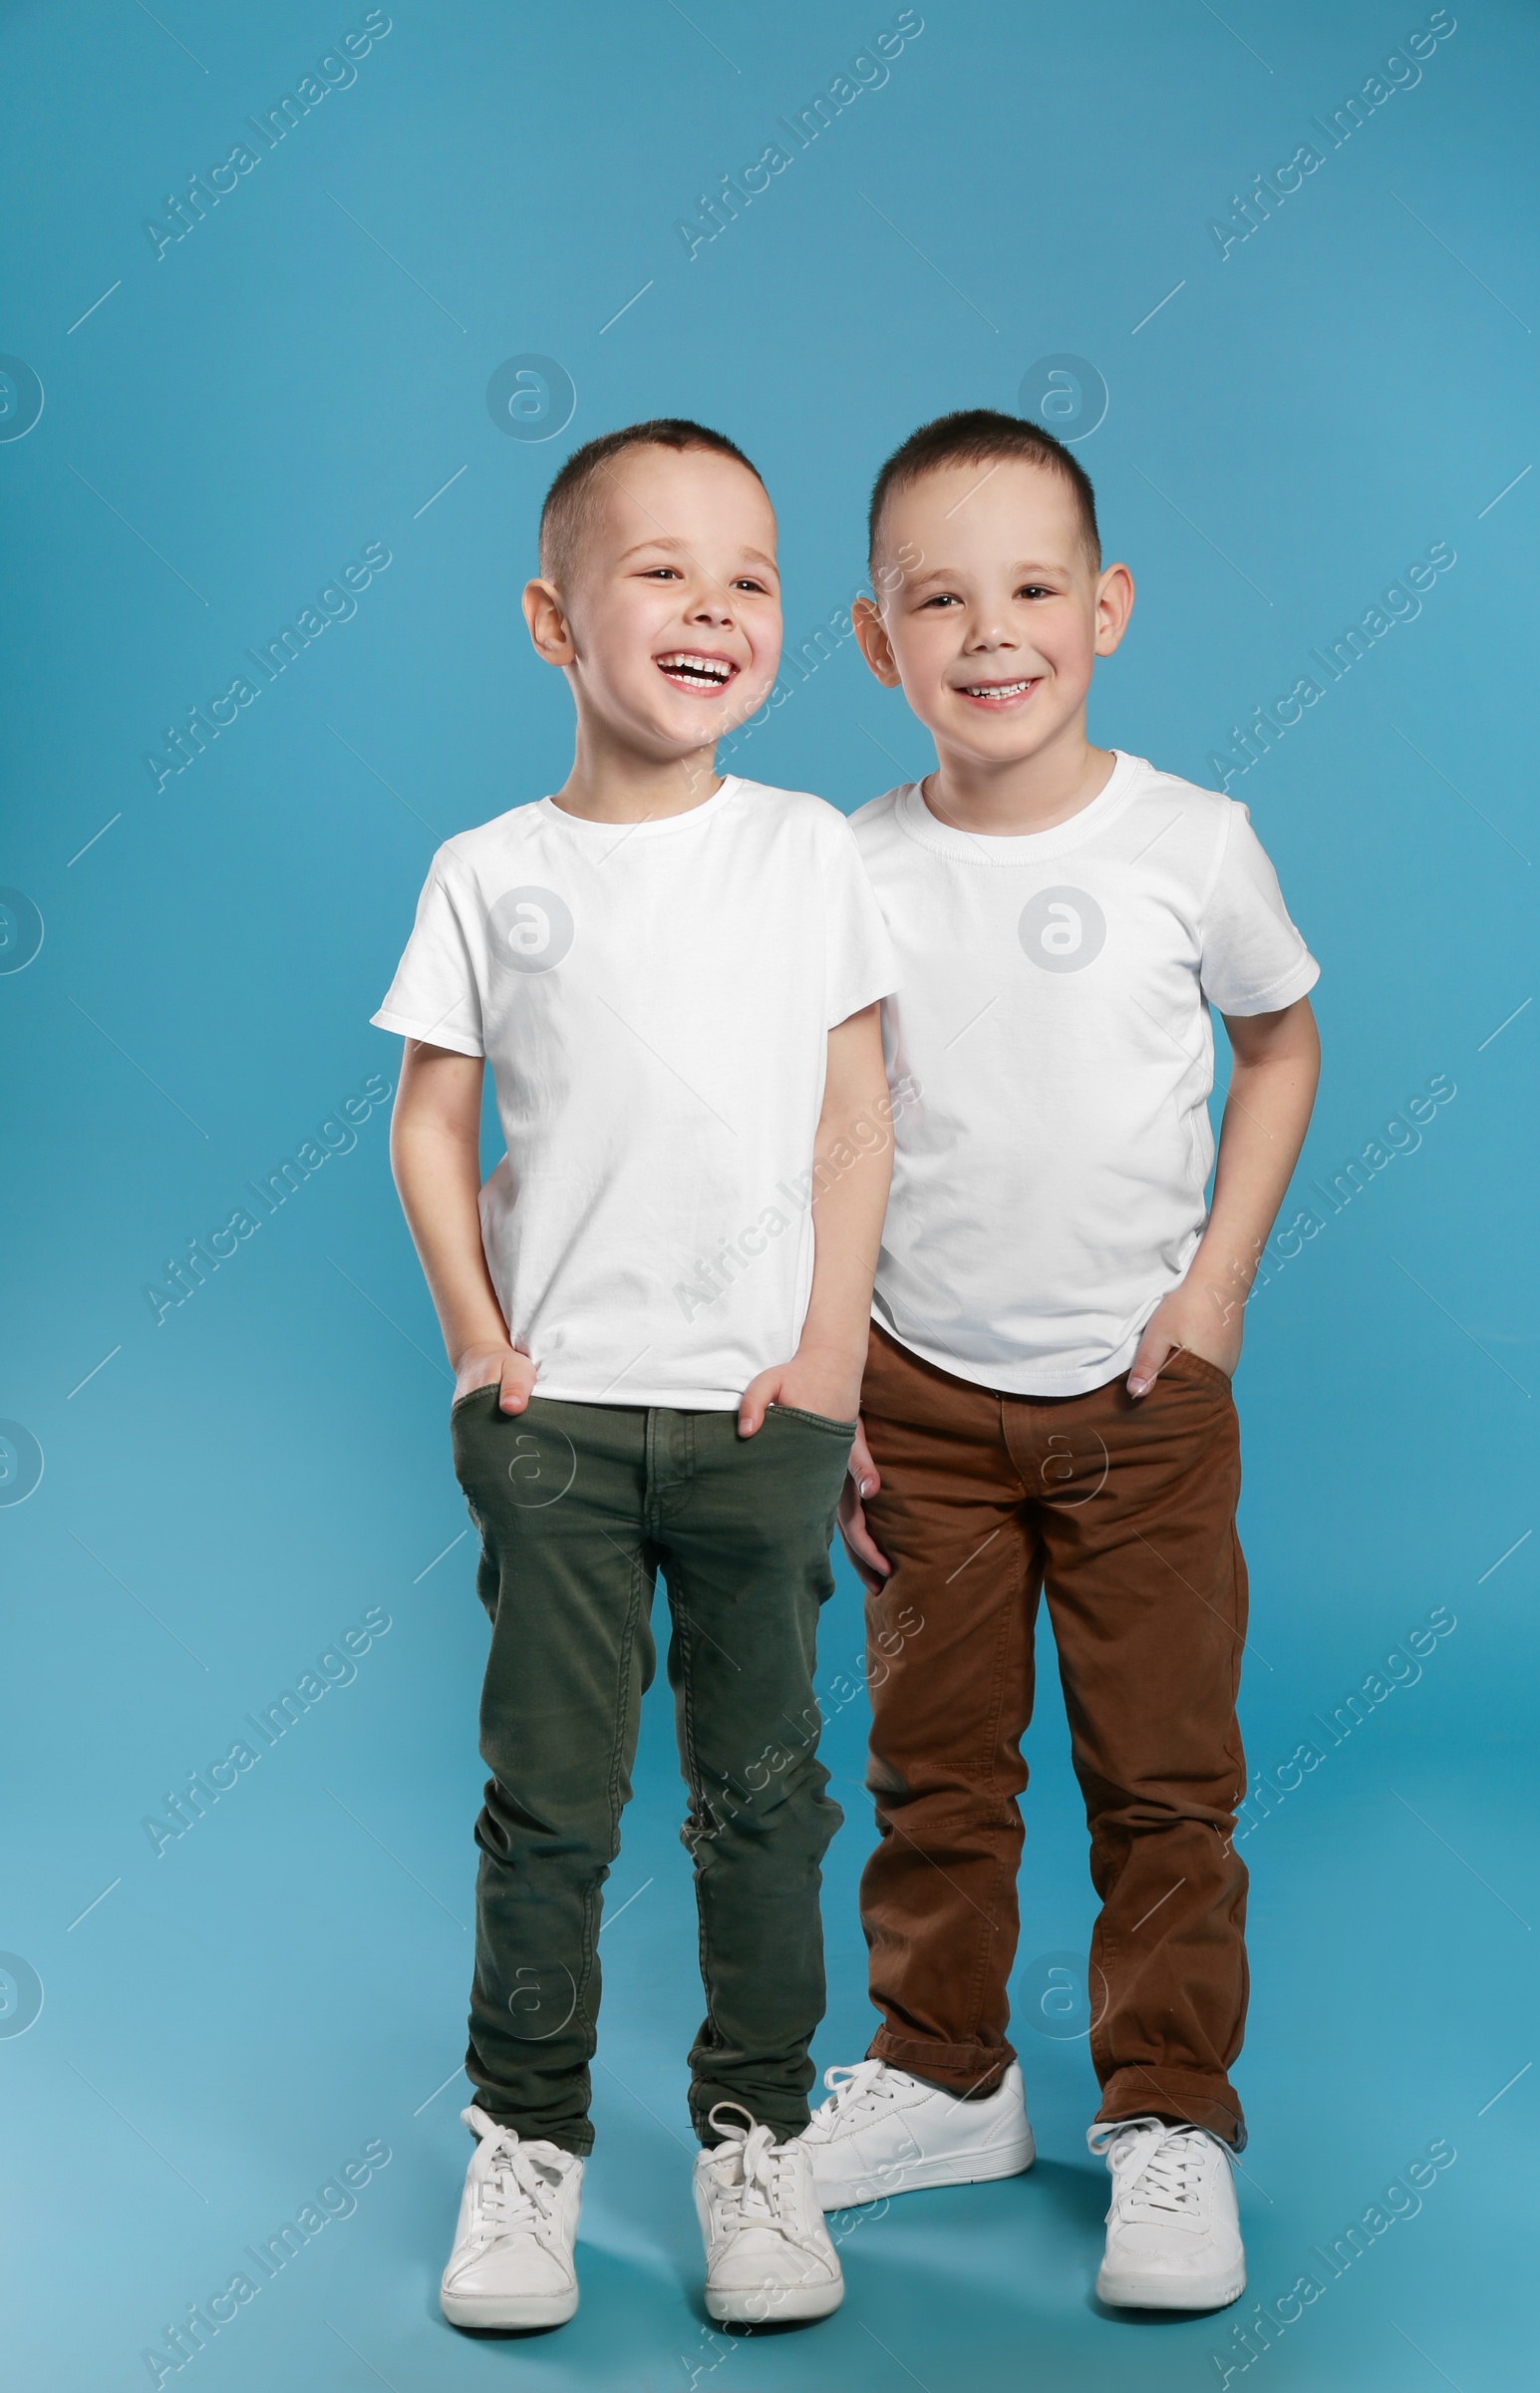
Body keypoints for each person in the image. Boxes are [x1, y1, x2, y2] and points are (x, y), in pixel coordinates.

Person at [374, 419, 897, 2331]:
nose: (715, 608)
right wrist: (475, 1346)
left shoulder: (803, 851)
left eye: (750, 577)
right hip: (560, 1421)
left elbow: (858, 1106)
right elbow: (435, 1122)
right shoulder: (488, 872)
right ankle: (527, 2148)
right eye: (663, 570)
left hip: (765, 1415)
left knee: (764, 1797)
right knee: (555, 1802)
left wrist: (833, 1351)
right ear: (552, 620)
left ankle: (757, 2140)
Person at [799, 409, 1321, 2314]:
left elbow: (1281, 1044)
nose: (990, 632)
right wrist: (838, 1370)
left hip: (1142, 1406)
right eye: (939, 599)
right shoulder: (844, 868)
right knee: (936, 1770)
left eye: (1031, 589)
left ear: (1105, 607)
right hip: (922, 1399)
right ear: (876, 642)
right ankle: (946, 2073)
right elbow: (836, 1132)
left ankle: (1168, 2115)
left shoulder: (1193, 842)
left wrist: (1218, 1290)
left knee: (1163, 1780)